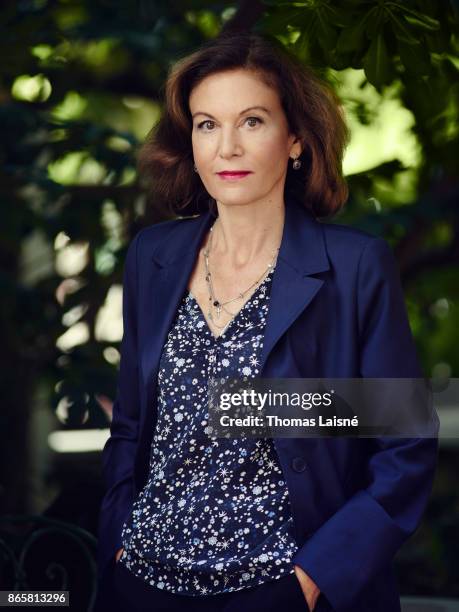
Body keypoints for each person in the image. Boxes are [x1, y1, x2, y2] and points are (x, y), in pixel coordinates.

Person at [94, 31, 438, 612]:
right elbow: (131, 427)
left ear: (296, 139)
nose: (227, 147)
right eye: (207, 124)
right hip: (143, 581)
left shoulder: (354, 267)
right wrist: (119, 545)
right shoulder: (152, 257)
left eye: (251, 121)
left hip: (280, 588)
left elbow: (403, 446)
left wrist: (310, 581)